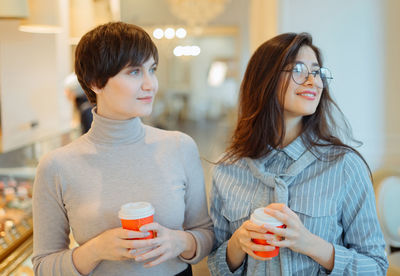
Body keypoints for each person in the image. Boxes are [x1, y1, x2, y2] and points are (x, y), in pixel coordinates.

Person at [32, 22, 214, 276]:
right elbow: (43, 266)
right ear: (96, 81)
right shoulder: (57, 165)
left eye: (152, 70)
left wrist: (180, 242)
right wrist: (95, 250)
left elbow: (206, 234)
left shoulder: (180, 146)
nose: (150, 84)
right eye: (134, 72)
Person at [207, 32, 388, 275]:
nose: (314, 82)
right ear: (265, 79)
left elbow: (376, 267)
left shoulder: (345, 165)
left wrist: (310, 244)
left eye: (317, 71)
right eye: (299, 70)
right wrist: (238, 243)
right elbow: (216, 266)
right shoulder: (226, 168)